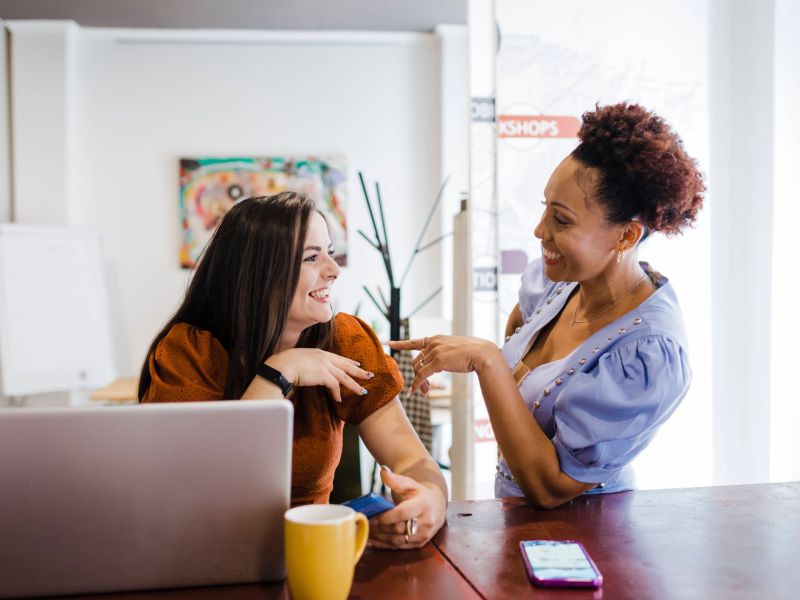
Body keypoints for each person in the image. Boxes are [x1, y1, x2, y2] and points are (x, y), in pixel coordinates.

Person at [392, 102, 704, 509]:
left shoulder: (648, 355)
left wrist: (485, 360)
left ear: (626, 237)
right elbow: (515, 357)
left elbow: (550, 488)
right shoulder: (555, 284)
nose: (540, 231)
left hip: (589, 540)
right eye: (545, 209)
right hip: (518, 525)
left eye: (561, 220)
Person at [139, 192, 447, 548]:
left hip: (313, 554)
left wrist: (431, 502)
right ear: (257, 274)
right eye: (311, 258)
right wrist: (278, 374)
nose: (333, 270)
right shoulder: (190, 353)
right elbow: (203, 489)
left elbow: (412, 461)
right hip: (207, 552)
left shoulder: (343, 341)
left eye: (330, 252)